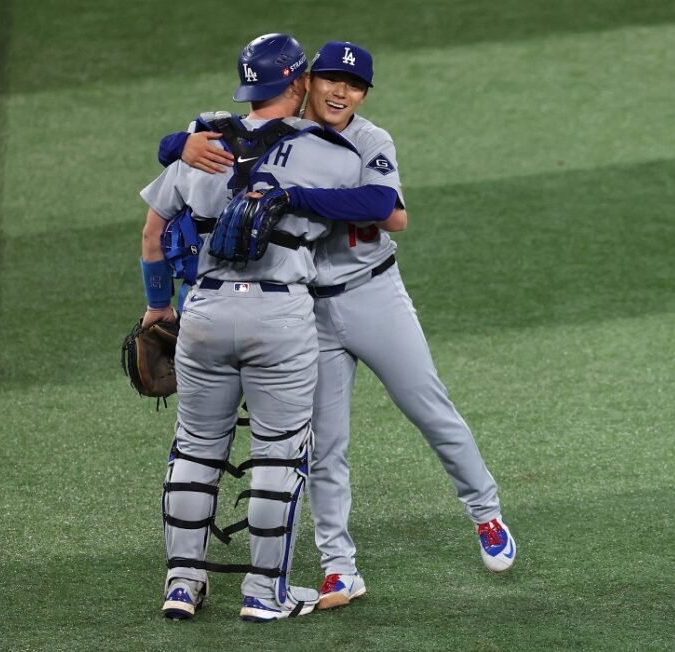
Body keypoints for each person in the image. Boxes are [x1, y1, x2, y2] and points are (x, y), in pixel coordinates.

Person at [162, 40, 517, 610]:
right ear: (307, 82)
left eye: (354, 85)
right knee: (324, 445)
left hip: (373, 295)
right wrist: (178, 144)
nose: (341, 92)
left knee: (428, 407)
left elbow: (390, 212)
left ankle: (486, 514)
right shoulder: (280, 137)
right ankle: (338, 567)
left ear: (364, 94)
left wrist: (294, 197)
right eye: (331, 80)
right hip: (307, 311)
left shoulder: (369, 141)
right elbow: (200, 148)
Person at [140, 33, 396, 623]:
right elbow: (384, 207)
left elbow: (153, 235)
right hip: (280, 316)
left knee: (195, 448)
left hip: (203, 312)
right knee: (279, 458)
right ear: (300, 82)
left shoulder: (200, 144)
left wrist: (158, 309)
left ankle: (182, 584)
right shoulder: (333, 154)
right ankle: (264, 594)